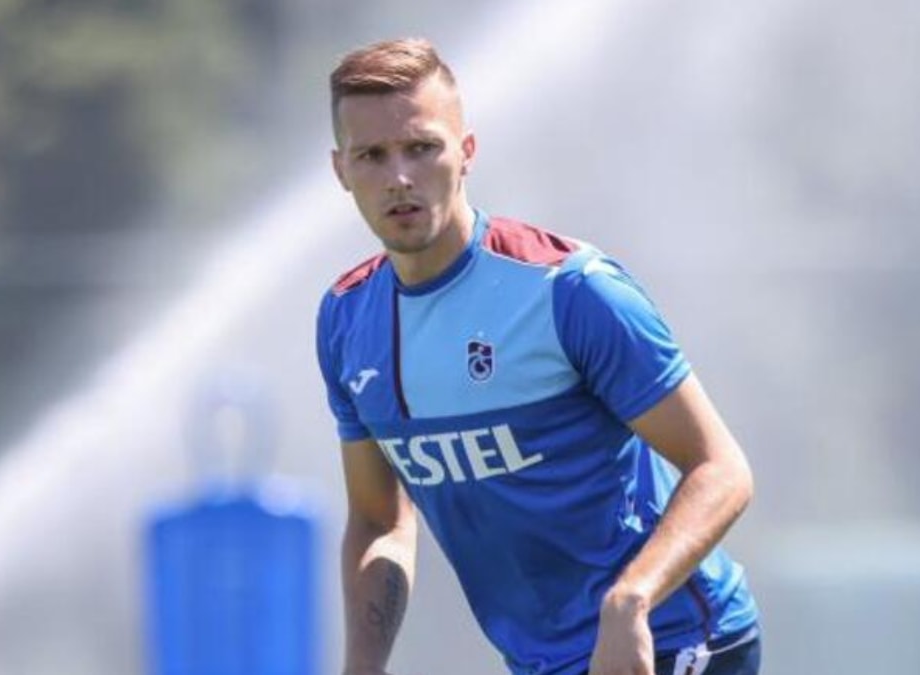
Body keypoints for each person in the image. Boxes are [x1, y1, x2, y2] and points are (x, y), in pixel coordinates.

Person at [316, 37, 761, 675]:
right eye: (372, 156)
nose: (400, 178)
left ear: (466, 152)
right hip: (540, 662)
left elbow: (721, 468)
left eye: (421, 147)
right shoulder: (345, 320)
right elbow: (379, 520)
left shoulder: (569, 290)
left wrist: (631, 600)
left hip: (672, 639)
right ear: (341, 171)